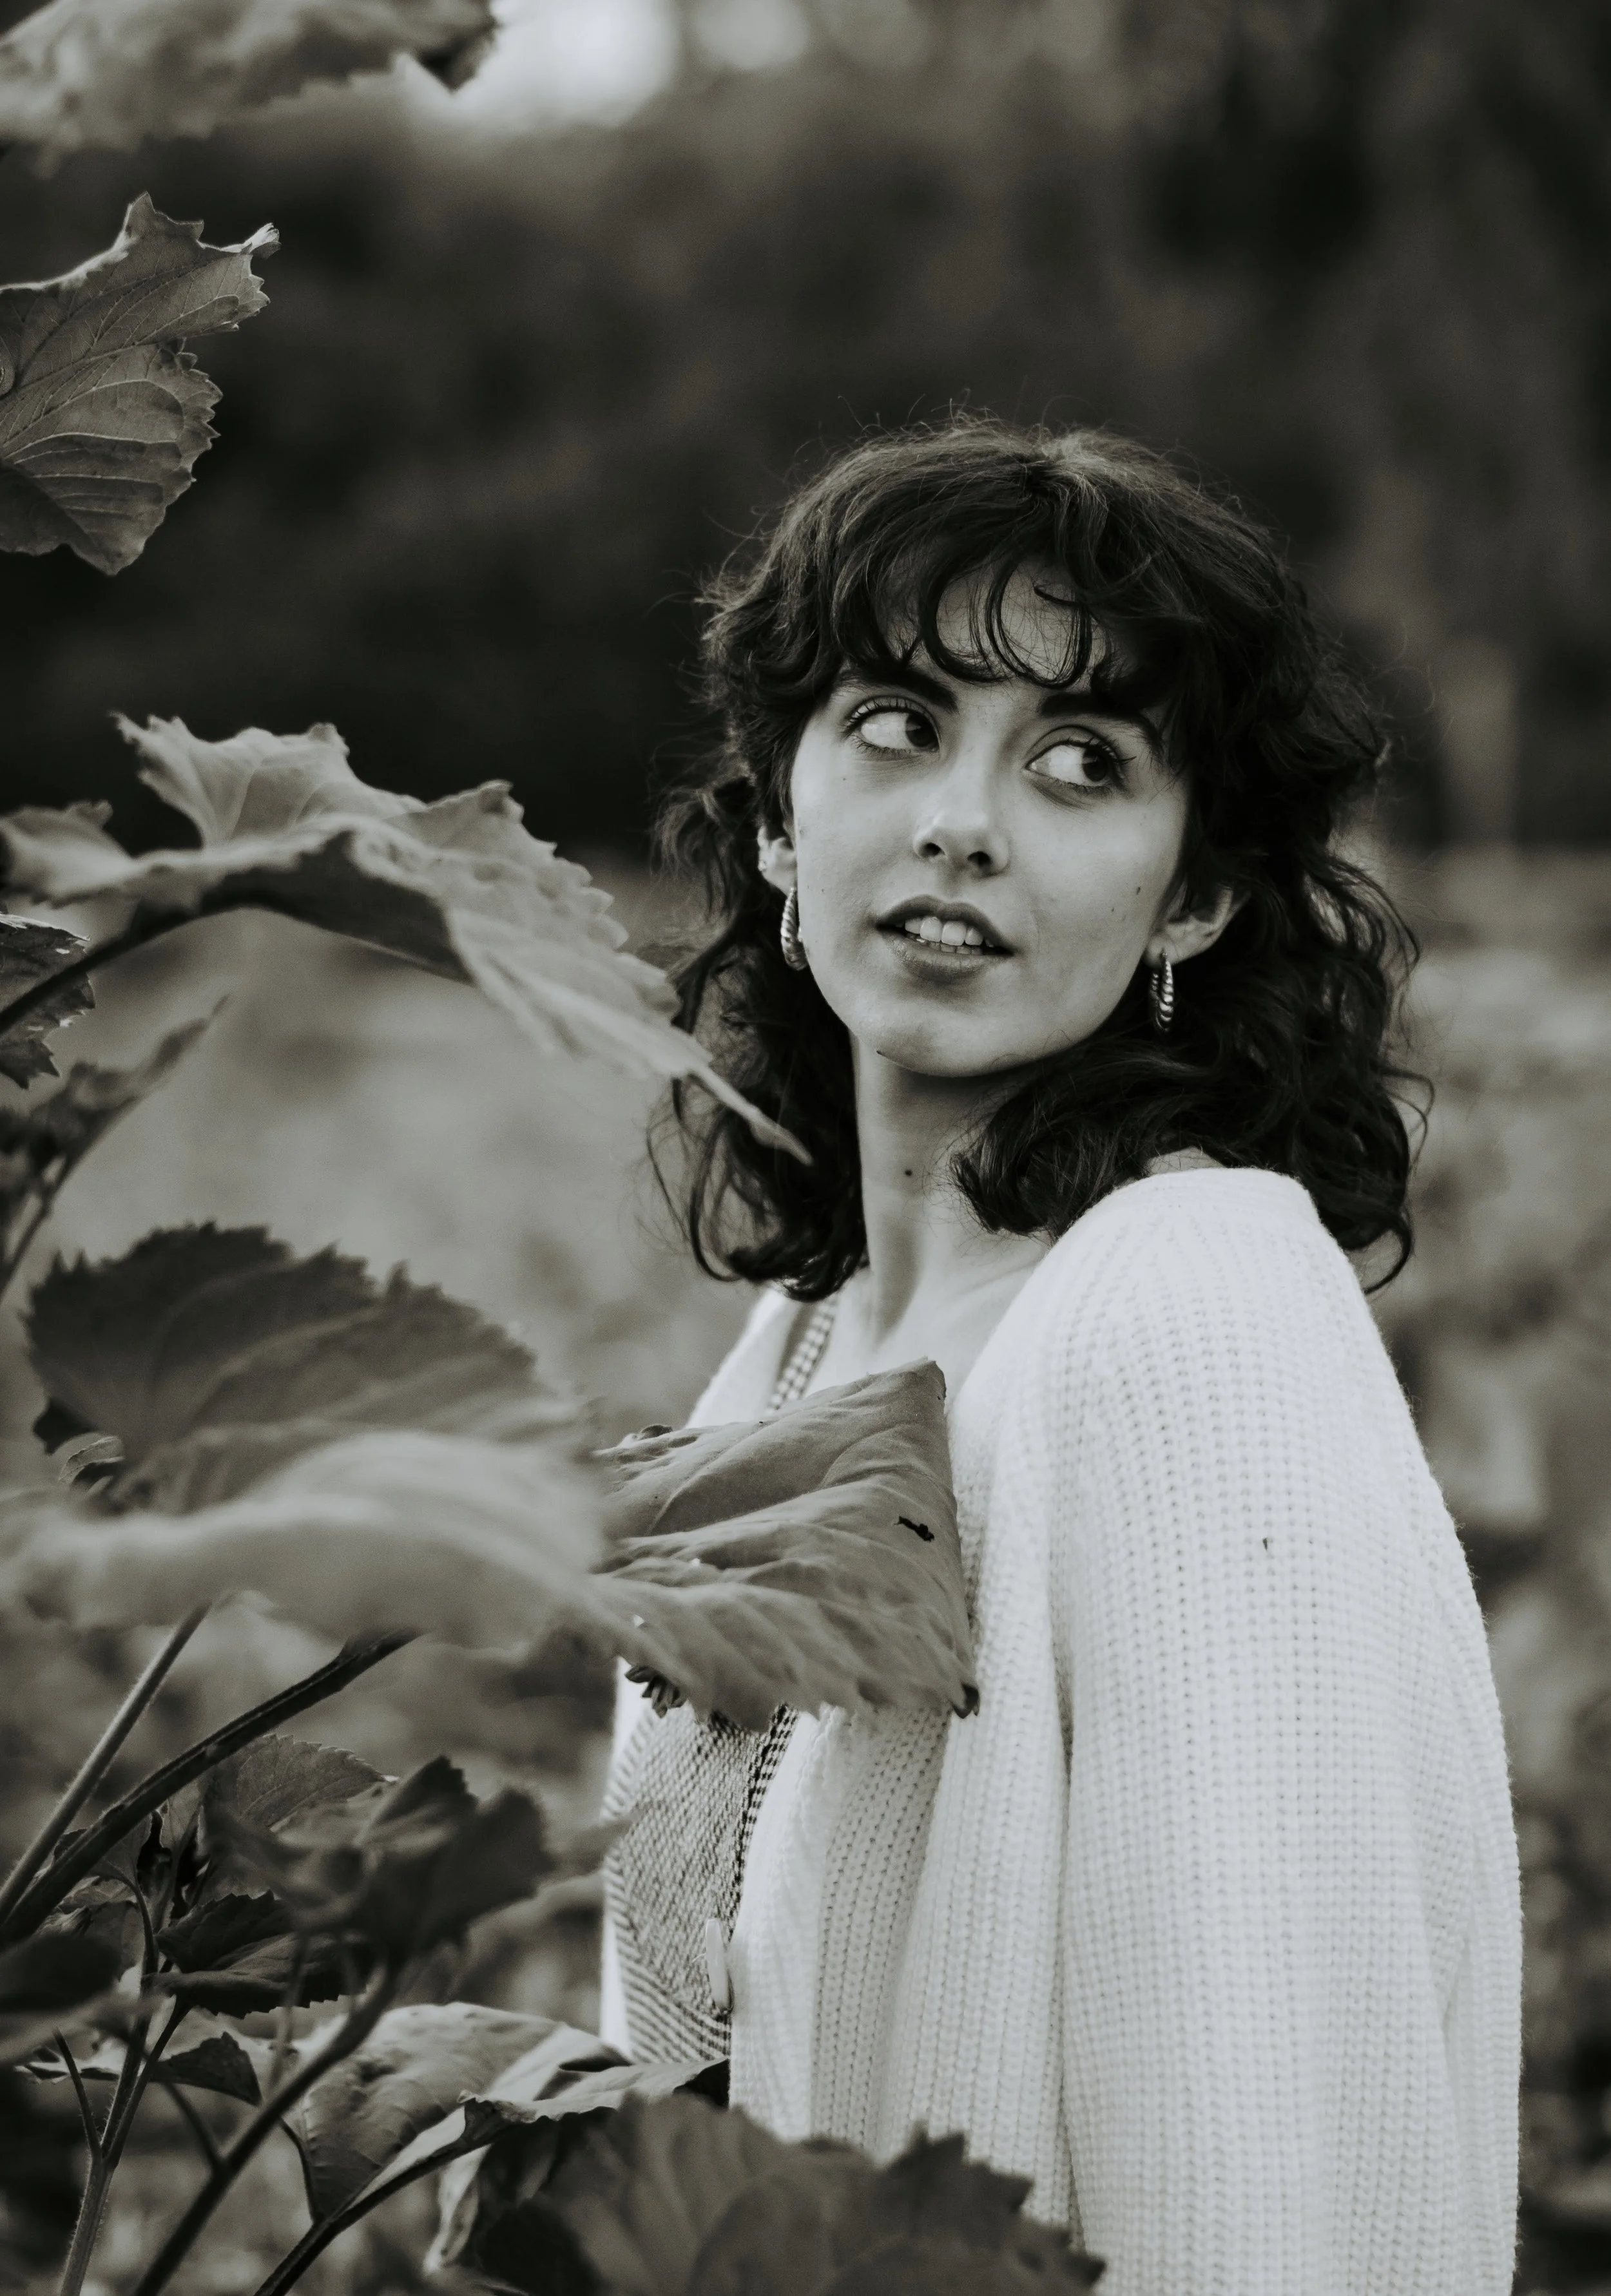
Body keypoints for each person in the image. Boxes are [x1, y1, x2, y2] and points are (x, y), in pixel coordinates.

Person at [596, 419, 1521, 2295]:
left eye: (1081, 761)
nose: (963, 821)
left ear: (1194, 895)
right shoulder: (790, 1346)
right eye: (895, 724)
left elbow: (1269, 2151)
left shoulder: (1188, 1318)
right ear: (777, 817)